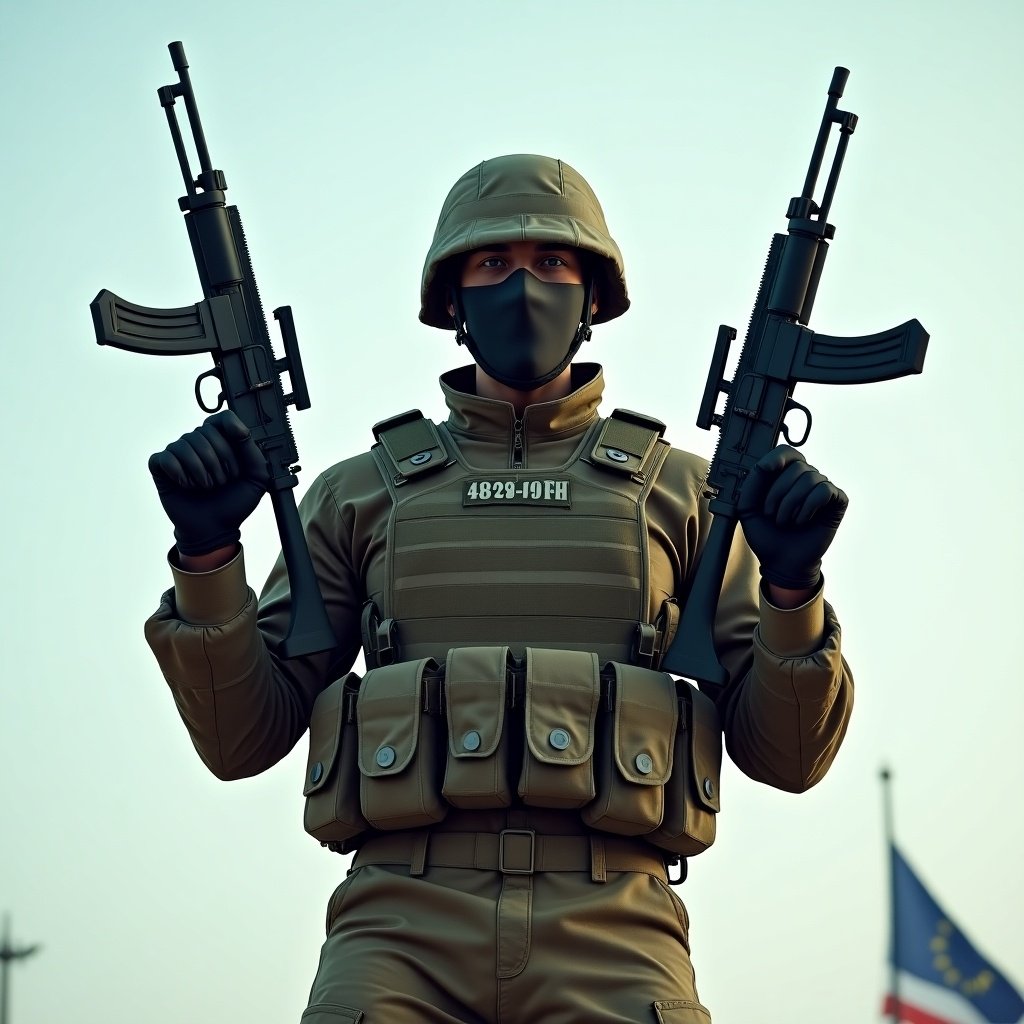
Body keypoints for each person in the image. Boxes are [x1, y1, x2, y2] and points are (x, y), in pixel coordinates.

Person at [145, 154, 853, 1023]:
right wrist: (208, 555)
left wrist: (792, 589)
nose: (524, 286)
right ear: (452, 302)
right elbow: (242, 739)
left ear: (594, 295)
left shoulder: (685, 494)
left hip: (616, 923)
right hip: (396, 923)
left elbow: (787, 755)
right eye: (492, 264)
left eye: (553, 263)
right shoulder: (359, 493)